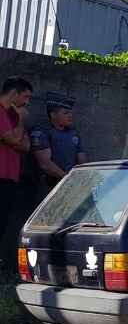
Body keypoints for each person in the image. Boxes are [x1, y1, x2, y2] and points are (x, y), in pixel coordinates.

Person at [0, 77, 33, 269]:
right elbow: (13, 140)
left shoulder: (11, 114)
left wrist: (18, 134)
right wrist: (21, 122)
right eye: (25, 96)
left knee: (4, 223)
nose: (27, 102)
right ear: (14, 93)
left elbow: (26, 146)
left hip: (10, 177)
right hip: (1, 176)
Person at [29, 92, 87, 191]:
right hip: (48, 185)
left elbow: (82, 159)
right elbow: (45, 164)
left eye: (70, 113)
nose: (70, 116)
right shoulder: (42, 131)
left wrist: (83, 178)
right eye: (66, 113)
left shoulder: (73, 132)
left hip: (69, 184)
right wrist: (66, 178)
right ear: (53, 115)